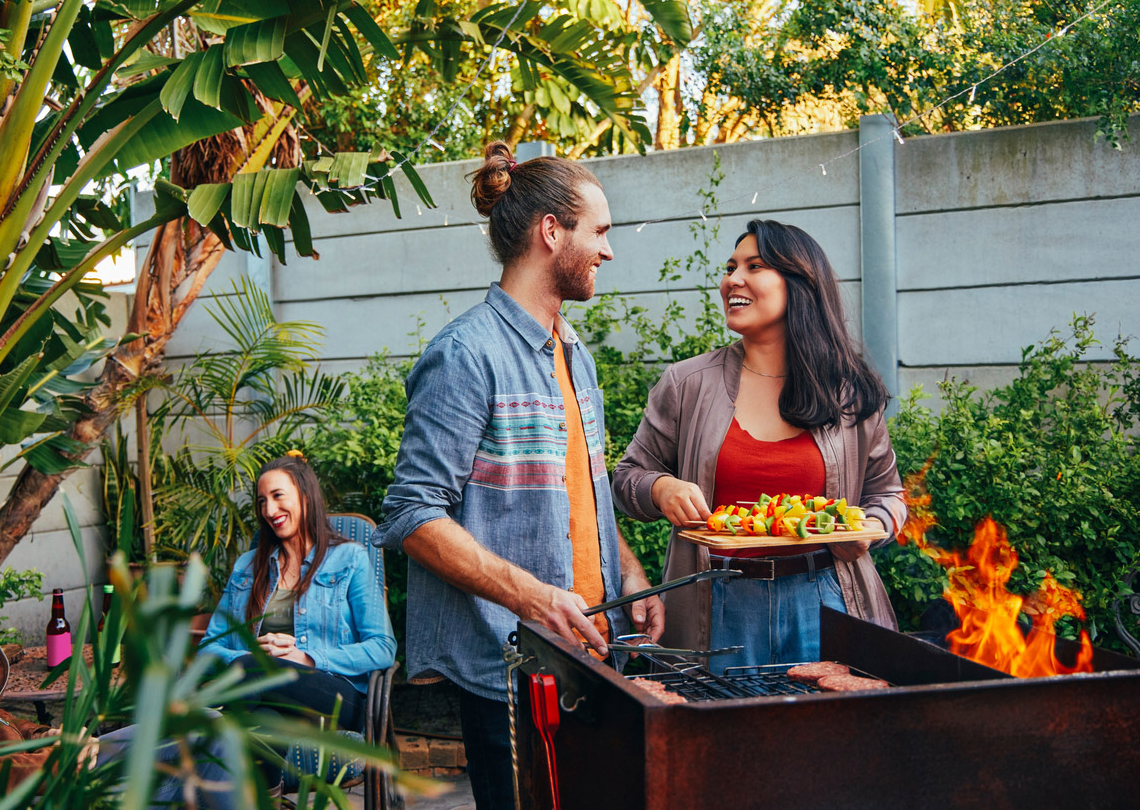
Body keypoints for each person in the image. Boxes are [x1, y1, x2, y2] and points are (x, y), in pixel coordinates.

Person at [377, 141, 664, 810]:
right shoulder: (464, 354)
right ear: (551, 231)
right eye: (601, 232)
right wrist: (531, 596)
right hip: (512, 668)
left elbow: (580, 488)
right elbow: (412, 516)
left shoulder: (574, 353)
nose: (609, 251)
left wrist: (628, 573)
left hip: (598, 653)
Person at [612, 218, 906, 671]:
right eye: (730, 267)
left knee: (832, 738)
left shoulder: (849, 391)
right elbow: (627, 479)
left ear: (801, 284)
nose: (733, 279)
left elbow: (888, 495)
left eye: (755, 265)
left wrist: (868, 529)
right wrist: (660, 489)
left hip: (826, 598)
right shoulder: (687, 383)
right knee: (718, 738)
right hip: (718, 600)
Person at [0, 453, 237, 808]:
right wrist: (56, 762)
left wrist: (44, 736)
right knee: (206, 752)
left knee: (207, 723)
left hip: (34, 763)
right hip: (21, 789)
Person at [200, 453, 395, 789]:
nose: (269, 511)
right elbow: (209, 648)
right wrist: (254, 657)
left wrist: (305, 657)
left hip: (333, 696)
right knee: (260, 721)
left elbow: (382, 648)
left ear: (305, 497)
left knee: (253, 671)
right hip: (262, 692)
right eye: (262, 501)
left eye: (278, 497)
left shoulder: (349, 559)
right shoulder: (248, 567)